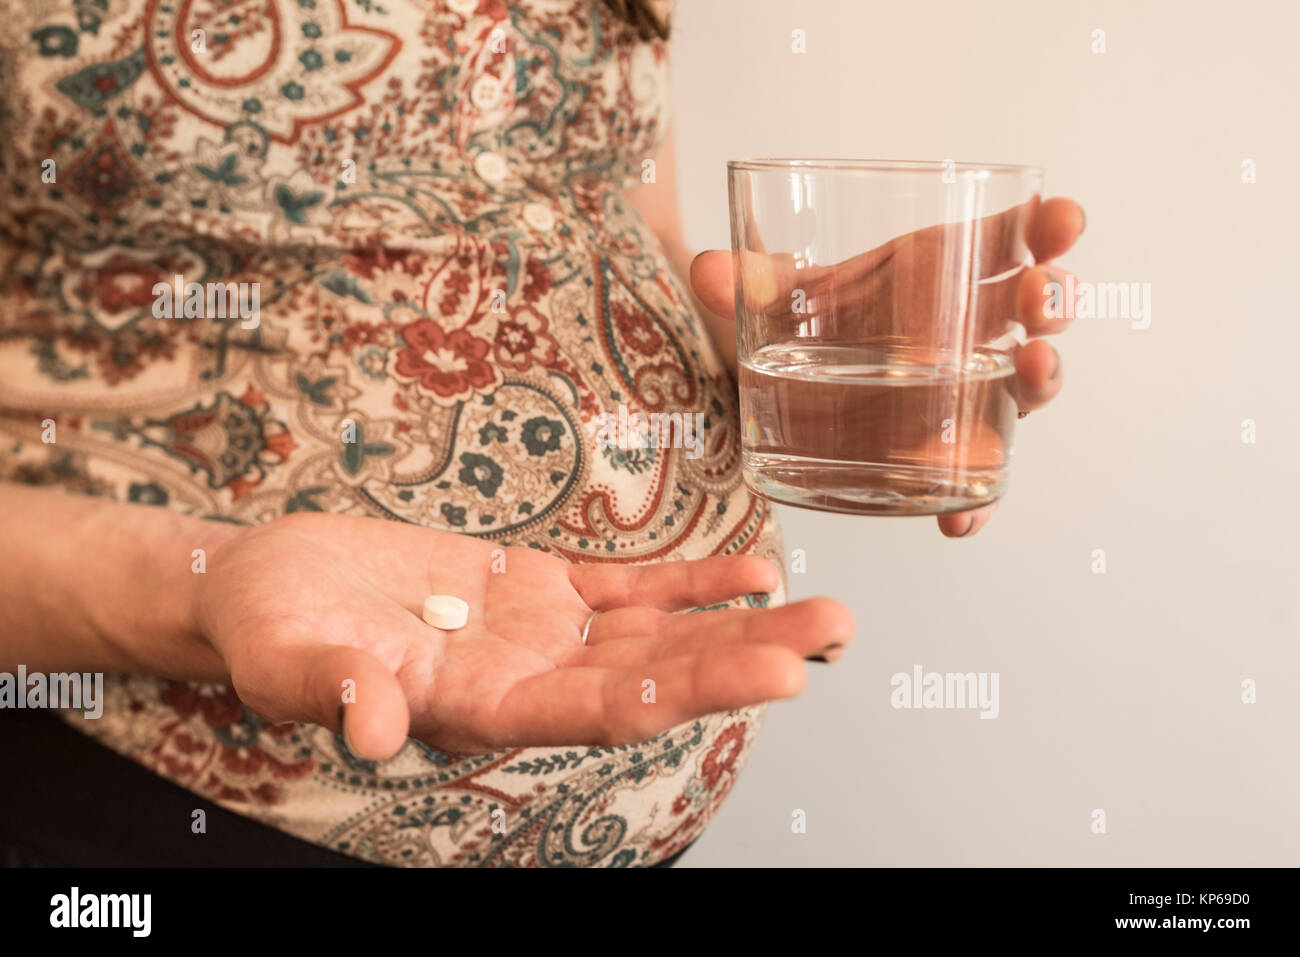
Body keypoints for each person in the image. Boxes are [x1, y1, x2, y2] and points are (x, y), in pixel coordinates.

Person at [0, 0, 1083, 867]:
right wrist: (201, 584)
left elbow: (596, 212)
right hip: (140, 796)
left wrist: (796, 367)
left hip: (638, 767)